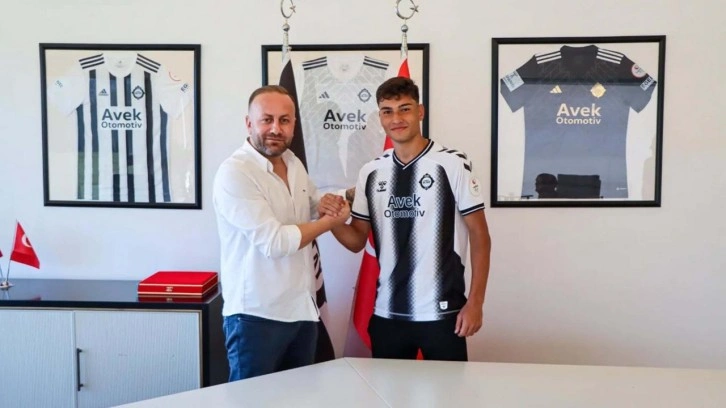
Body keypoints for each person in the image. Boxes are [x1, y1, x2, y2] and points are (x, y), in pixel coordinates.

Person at [331, 77, 492, 361]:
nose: (396, 119)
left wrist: (476, 302)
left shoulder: (453, 163)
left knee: (449, 389)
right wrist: (331, 221)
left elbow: (480, 236)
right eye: (387, 111)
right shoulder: (371, 171)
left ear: (420, 112)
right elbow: (356, 240)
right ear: (380, 117)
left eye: (404, 109)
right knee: (388, 390)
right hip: (387, 315)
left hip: (443, 314)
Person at [213, 85, 349, 381]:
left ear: (294, 124)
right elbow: (274, 242)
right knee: (251, 401)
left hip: (301, 311)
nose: (276, 128)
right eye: (267, 119)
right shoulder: (235, 172)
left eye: (284, 120)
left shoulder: (293, 163)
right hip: (255, 318)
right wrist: (330, 221)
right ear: (249, 123)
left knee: (299, 399)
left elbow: (312, 205)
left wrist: (344, 196)